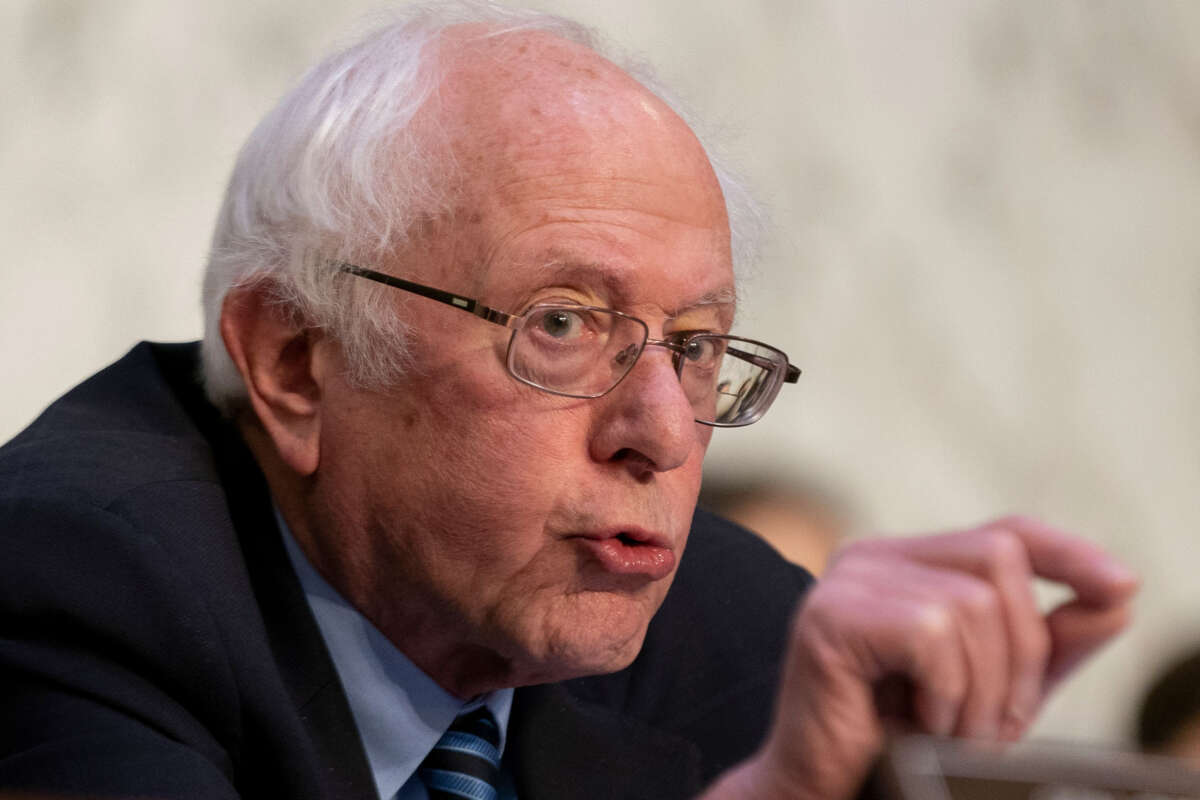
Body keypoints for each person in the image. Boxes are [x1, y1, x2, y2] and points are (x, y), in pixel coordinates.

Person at [0, 4, 1138, 799]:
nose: (658, 431)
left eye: (694, 347)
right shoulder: (70, 581)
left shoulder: (743, 634)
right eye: (562, 323)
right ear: (297, 362)